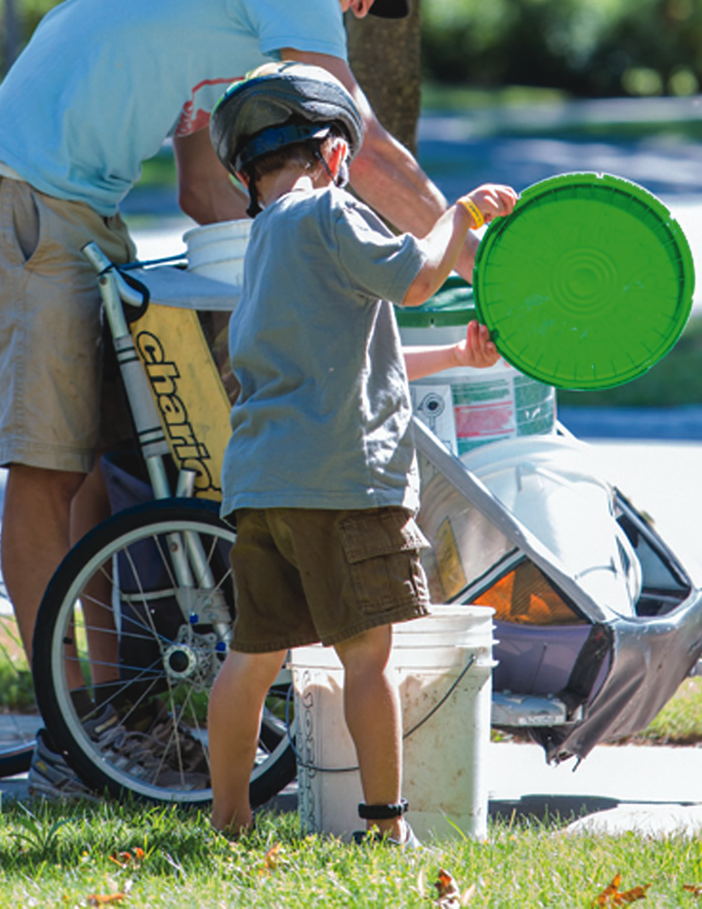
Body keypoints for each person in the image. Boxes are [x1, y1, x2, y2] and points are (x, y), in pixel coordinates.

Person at [0, 0, 475, 798]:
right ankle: (65, 740)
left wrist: (285, 289)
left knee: (97, 476)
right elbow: (365, 143)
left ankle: (112, 718)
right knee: (46, 466)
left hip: (78, 206)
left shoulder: (224, 9)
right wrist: (465, 252)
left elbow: (203, 186)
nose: (359, 8)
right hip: (20, 198)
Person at [204, 62, 517, 843]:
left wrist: (453, 356)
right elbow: (415, 276)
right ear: (335, 154)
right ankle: (385, 827)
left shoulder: (264, 243)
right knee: (368, 657)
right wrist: (458, 214)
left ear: (248, 171)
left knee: (251, 654)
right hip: (343, 483)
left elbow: (357, 356)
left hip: (263, 488)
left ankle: (229, 815)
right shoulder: (330, 212)